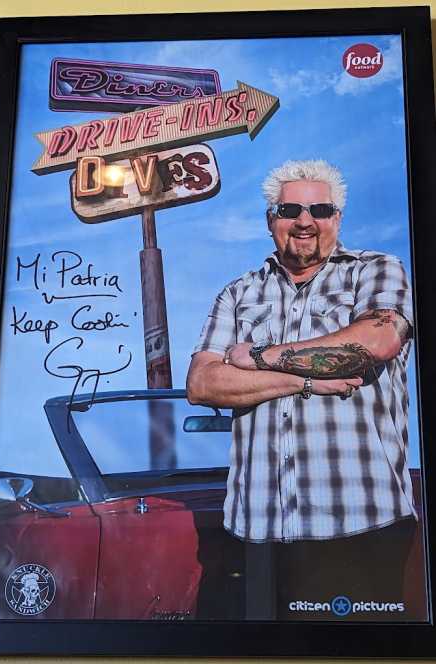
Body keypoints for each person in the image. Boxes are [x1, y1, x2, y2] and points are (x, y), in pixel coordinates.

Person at [187, 159, 417, 621]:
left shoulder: (375, 271)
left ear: (338, 218)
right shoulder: (238, 293)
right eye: (290, 209)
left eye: (321, 209)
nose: (305, 221)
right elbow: (202, 382)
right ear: (271, 219)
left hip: (361, 526)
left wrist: (257, 355)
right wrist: (305, 379)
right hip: (255, 531)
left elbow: (374, 343)